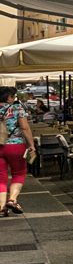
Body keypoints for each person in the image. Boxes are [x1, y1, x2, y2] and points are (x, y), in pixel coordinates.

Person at [0, 86, 36, 216]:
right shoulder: (16, 108)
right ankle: (12, 199)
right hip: (15, 145)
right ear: (8, 97)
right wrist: (31, 144)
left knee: (0, 178)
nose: (14, 99)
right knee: (19, 173)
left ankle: (1, 207)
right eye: (14, 96)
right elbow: (25, 128)